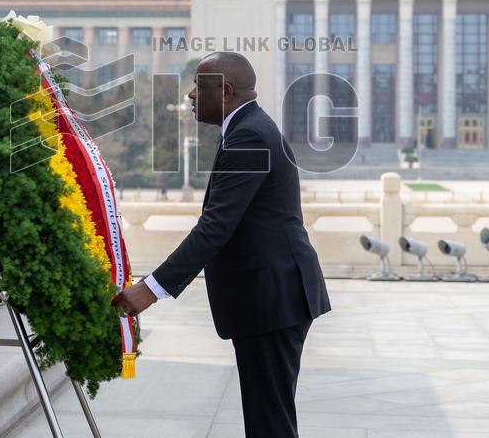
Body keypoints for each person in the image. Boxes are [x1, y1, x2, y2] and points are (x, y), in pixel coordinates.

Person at [112, 51, 331, 438]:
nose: (191, 94)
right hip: (273, 295)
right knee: (270, 418)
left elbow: (215, 226)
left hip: (272, 298)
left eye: (199, 85)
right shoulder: (247, 128)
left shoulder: (249, 135)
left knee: (270, 423)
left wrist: (151, 289)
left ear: (226, 91)